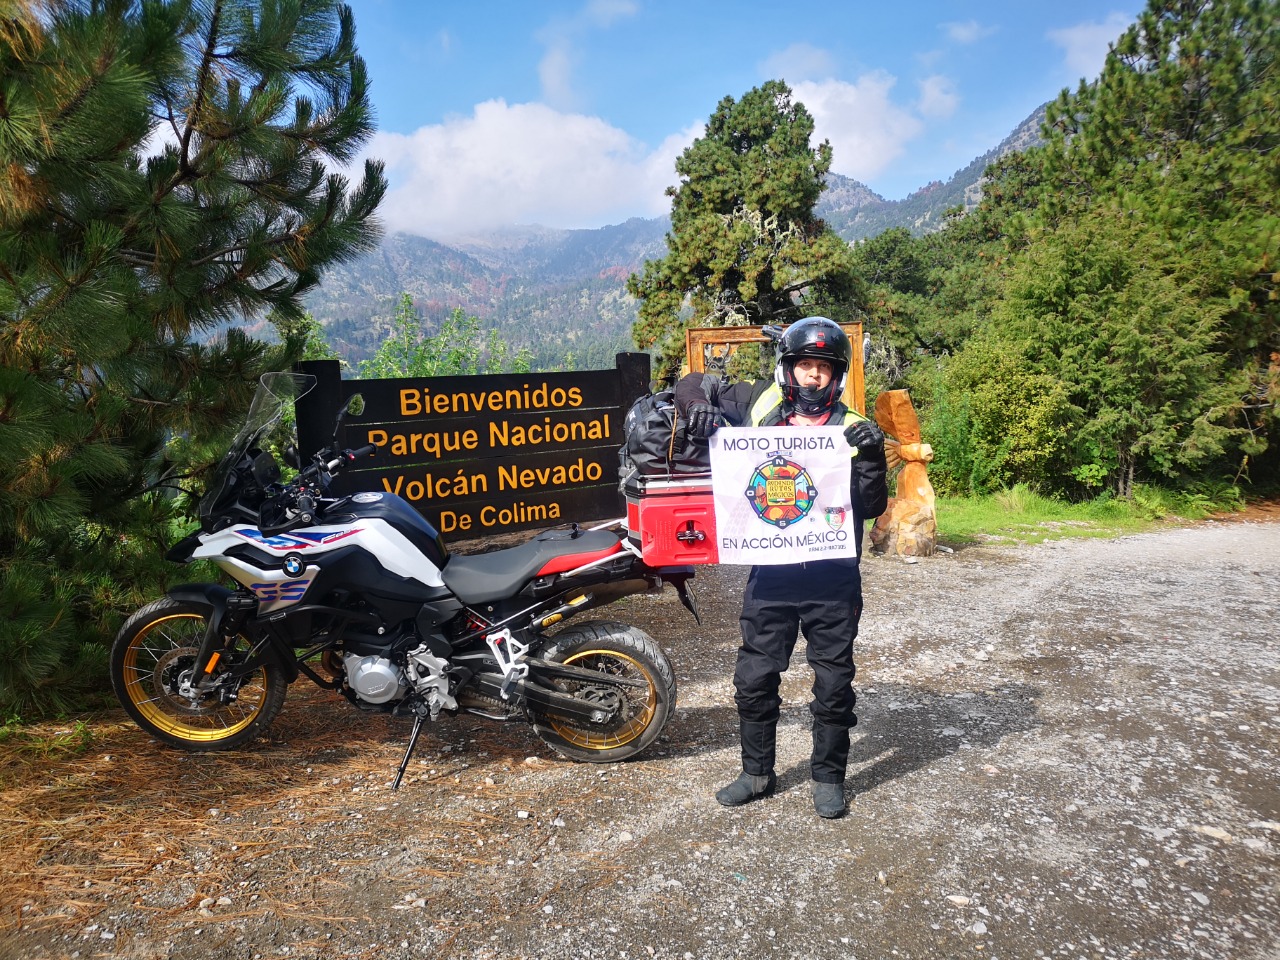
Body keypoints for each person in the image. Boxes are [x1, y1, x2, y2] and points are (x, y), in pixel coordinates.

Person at [675, 316, 888, 818]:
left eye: (823, 368)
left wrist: (873, 456)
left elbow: (871, 506)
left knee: (834, 683)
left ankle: (828, 776)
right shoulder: (760, 405)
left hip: (832, 578)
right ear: (787, 368)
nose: (813, 376)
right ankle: (756, 772)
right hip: (771, 574)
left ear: (836, 376)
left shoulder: (850, 425)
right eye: (804, 365)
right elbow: (690, 381)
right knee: (754, 675)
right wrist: (700, 407)